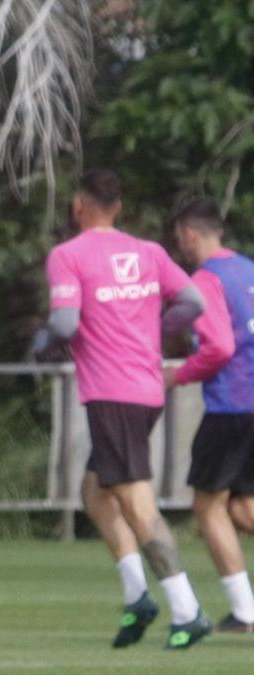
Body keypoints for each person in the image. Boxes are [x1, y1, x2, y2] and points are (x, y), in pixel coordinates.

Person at [39, 169, 210, 649]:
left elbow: (67, 321)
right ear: (117, 207)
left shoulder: (68, 255)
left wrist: (46, 339)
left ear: (78, 205)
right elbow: (192, 301)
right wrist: (154, 327)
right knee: (96, 489)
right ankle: (138, 596)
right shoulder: (149, 253)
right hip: (146, 389)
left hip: (112, 394)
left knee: (135, 499)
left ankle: (186, 608)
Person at [165, 197, 254, 633]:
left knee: (207, 506)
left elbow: (219, 348)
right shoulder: (249, 269)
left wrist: (176, 376)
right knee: (241, 509)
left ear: (189, 234)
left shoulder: (205, 279)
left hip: (232, 403)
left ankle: (245, 611)